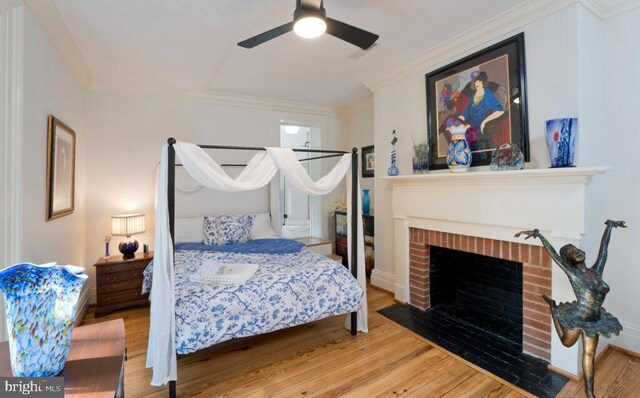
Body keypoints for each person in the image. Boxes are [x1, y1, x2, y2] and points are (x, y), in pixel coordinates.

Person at [515, 220, 625, 398]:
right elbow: (555, 256)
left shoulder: (597, 270)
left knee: (589, 352)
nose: (577, 252)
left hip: (595, 319)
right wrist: (539, 235)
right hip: (578, 317)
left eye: (577, 249)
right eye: (571, 252)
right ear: (569, 260)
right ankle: (553, 308)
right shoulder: (573, 274)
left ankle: (590, 392)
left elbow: (604, 250)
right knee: (567, 343)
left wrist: (610, 226)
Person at [459, 70, 505, 135]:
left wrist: (485, 121)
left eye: (479, 81)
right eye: (475, 81)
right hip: (467, 124)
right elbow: (467, 111)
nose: (477, 83)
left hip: (477, 127)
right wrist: (460, 118)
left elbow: (500, 111)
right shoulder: (474, 95)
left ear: (483, 82)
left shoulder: (487, 94)